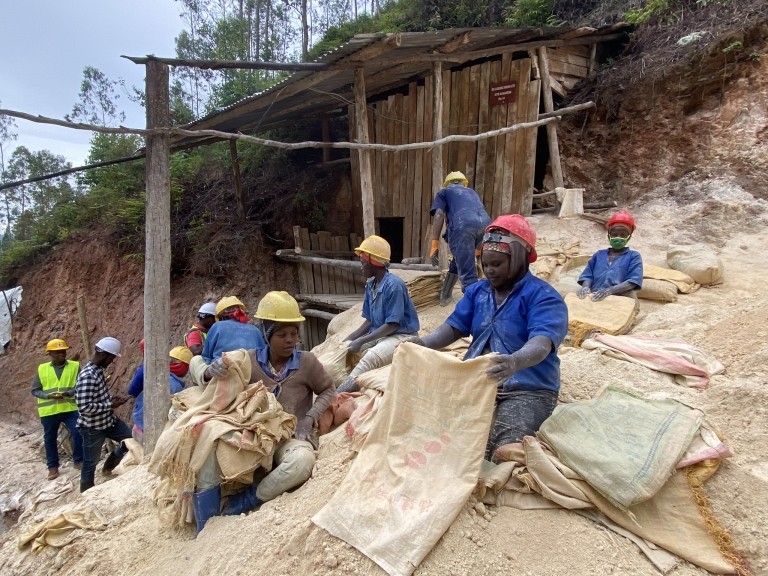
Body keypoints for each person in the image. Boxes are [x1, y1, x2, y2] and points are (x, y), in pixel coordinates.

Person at [411, 214, 568, 461]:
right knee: (447, 439)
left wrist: (515, 361)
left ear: (519, 259)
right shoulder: (477, 292)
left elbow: (542, 342)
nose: (490, 271)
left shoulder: (543, 297)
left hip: (527, 389)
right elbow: (454, 328)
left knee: (502, 450)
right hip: (478, 381)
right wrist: (423, 343)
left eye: (498, 264)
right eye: (486, 263)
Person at [190, 291, 336, 529]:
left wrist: (308, 418)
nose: (290, 340)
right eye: (282, 335)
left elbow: (329, 390)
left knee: (302, 461)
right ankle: (206, 523)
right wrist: (210, 370)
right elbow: (205, 371)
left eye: (294, 334)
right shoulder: (248, 360)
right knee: (208, 445)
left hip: (289, 438)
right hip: (254, 436)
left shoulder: (307, 362)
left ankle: (247, 500)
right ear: (267, 335)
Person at [337, 235, 420, 393]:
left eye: (362, 263)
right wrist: (349, 339)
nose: (361, 267)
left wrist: (362, 341)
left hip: (402, 336)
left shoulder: (394, 285)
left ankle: (339, 393)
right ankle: (347, 385)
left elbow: (392, 325)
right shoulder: (371, 285)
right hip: (382, 335)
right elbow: (368, 321)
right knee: (348, 349)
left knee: (370, 357)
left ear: (373, 262)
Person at [75, 336, 131, 493]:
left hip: (108, 421)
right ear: (105, 355)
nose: (112, 362)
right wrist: (109, 405)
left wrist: (110, 399)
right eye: (112, 358)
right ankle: (86, 493)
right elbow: (84, 406)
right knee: (90, 462)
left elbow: (95, 397)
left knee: (130, 441)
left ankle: (109, 468)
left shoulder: (97, 371)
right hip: (92, 428)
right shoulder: (88, 376)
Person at [426, 171, 492, 305]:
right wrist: (478, 251)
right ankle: (446, 295)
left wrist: (434, 245)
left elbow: (439, 215)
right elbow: (478, 220)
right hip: (487, 225)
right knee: (459, 258)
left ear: (447, 184)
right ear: (464, 183)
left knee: (468, 277)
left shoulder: (443, 193)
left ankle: (477, 310)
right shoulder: (472, 193)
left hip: (463, 226)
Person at [31, 338, 83, 480]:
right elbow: (35, 390)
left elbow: (80, 385)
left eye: (63, 351)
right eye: (58, 352)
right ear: (50, 354)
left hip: (69, 408)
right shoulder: (42, 369)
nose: (62, 354)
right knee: (50, 438)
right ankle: (53, 467)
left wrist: (69, 393)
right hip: (49, 411)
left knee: (79, 431)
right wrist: (48, 396)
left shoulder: (74, 366)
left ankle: (79, 460)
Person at [128, 345, 190, 446]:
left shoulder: (156, 375)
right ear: (183, 367)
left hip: (138, 426)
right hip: (150, 432)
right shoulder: (174, 385)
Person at [577, 210, 643, 301]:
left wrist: (609, 291)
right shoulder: (599, 255)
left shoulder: (634, 256)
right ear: (609, 236)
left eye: (623, 235)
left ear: (629, 237)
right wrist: (585, 286)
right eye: (615, 234)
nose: (618, 237)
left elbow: (633, 281)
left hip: (622, 297)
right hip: (596, 295)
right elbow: (588, 275)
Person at [201, 296, 266, 363]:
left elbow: (206, 356)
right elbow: (263, 356)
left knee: (196, 360)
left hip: (223, 369)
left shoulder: (217, 326)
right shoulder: (255, 330)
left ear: (221, 317)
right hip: (250, 370)